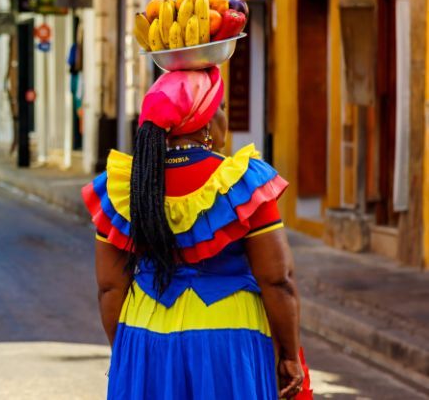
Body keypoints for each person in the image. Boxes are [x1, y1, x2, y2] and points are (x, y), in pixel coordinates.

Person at [84, 67, 311, 400]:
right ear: (203, 122)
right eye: (219, 108)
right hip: (228, 338)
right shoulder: (242, 183)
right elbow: (278, 279)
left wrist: (127, 353)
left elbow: (109, 287)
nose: (223, 118)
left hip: (145, 334)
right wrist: (289, 356)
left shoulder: (124, 188)